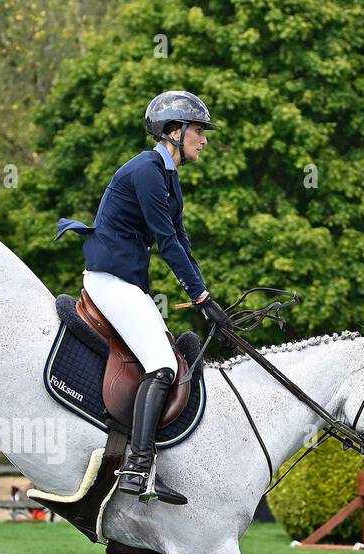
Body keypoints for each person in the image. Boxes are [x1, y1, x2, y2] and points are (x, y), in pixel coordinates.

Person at [55, 91, 232, 506]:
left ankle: (146, 466)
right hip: (109, 280)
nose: (204, 140)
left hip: (128, 283)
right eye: (199, 131)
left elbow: (181, 238)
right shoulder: (148, 170)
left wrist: (208, 296)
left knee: (166, 357)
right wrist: (200, 296)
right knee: (162, 365)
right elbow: (167, 242)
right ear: (174, 131)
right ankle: (135, 468)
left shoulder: (168, 175)